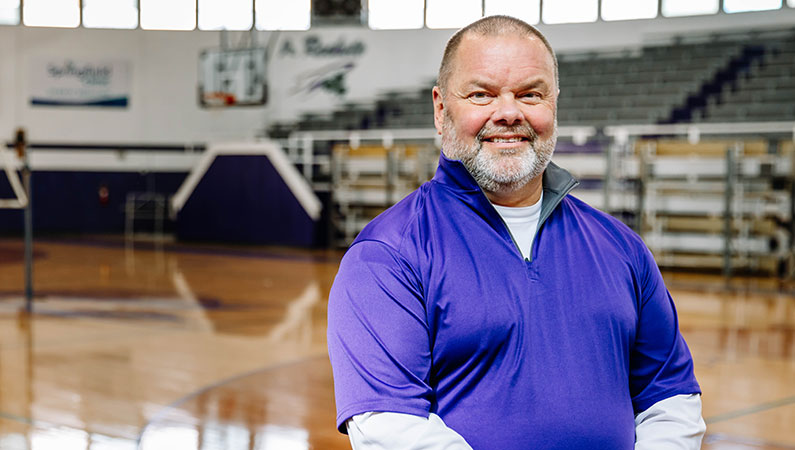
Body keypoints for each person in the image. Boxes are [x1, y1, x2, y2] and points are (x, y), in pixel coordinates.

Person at [327, 15, 706, 449]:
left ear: (554, 104)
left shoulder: (621, 248)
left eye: (530, 94)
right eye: (481, 95)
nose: (508, 113)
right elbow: (389, 426)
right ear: (440, 108)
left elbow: (671, 397)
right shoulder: (387, 255)